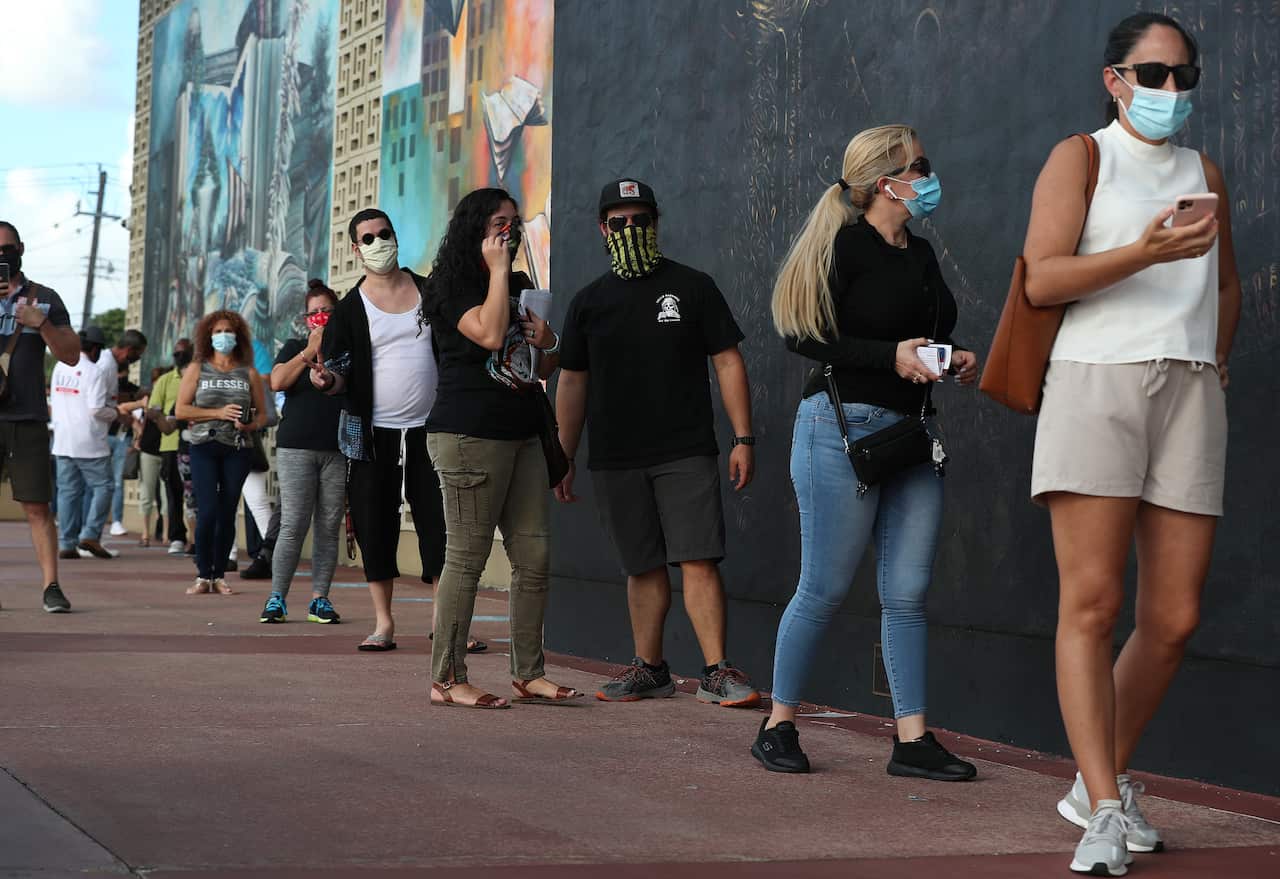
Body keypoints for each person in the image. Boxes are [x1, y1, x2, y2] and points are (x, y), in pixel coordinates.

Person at [1022, 13, 1238, 876]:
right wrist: (1142, 251)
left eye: (1184, 75)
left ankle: (1091, 781)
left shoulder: (1203, 170)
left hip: (1188, 388)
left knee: (1175, 617)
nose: (1171, 92)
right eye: (1154, 75)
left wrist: (1216, 359)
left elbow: (1223, 282)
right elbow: (1041, 277)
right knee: (1094, 602)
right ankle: (1105, 804)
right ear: (1115, 80)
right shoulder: (1082, 157)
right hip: (1095, 378)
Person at [752, 126, 980, 783]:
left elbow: (920, 334)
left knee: (907, 592)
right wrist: (892, 356)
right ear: (887, 182)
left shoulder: (922, 254)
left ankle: (912, 739)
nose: (931, 176)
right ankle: (778, 723)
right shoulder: (843, 246)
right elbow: (806, 333)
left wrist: (949, 355)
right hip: (840, 430)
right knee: (822, 586)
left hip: (910, 434)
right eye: (921, 165)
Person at [555, 179, 761, 707]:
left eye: (640, 218)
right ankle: (651, 669)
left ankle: (717, 671)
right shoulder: (589, 303)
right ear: (603, 229)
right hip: (617, 455)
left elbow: (728, 361)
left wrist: (743, 437)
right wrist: (562, 454)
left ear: (656, 223)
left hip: (686, 449)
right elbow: (572, 381)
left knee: (697, 559)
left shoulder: (693, 287)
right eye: (619, 222)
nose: (630, 229)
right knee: (641, 566)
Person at [421, 188, 581, 708]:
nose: (507, 233)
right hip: (468, 433)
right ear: (475, 228)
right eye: (497, 224)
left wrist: (547, 341)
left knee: (534, 555)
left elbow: (539, 370)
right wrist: (495, 271)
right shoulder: (448, 285)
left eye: (513, 224)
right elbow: (489, 335)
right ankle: (447, 677)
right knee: (466, 556)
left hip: (523, 431)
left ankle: (529, 671)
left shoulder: (518, 284)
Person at [308, 209, 448, 650]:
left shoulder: (431, 292)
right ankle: (384, 624)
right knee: (374, 523)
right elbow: (338, 371)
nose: (378, 242)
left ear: (395, 236)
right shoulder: (349, 309)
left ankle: (443, 621)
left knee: (438, 522)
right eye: (367, 238)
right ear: (356, 249)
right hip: (371, 435)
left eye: (384, 233)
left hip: (433, 429)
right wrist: (328, 381)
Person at [0, 220, 81, 611]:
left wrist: (41, 323)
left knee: (37, 506)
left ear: (21, 248)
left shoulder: (44, 297)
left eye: (7, 248)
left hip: (27, 414)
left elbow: (71, 354)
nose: (2, 256)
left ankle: (52, 587)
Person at [259, 279, 346, 624]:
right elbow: (277, 381)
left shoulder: (347, 349)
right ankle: (276, 598)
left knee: (328, 525)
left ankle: (320, 599)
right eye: (313, 312)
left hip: (337, 448)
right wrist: (310, 349)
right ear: (305, 318)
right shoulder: (295, 346)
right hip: (296, 446)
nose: (320, 316)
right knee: (293, 523)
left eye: (326, 310)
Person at [176, 311, 267, 595]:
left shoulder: (248, 372)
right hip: (203, 446)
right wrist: (217, 412)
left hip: (238, 448)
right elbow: (181, 410)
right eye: (217, 331)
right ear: (208, 336)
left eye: (228, 330)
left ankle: (219, 574)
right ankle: (203, 574)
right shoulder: (197, 368)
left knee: (228, 511)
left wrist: (251, 424)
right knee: (208, 511)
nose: (223, 336)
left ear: (238, 336)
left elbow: (264, 414)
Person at [50, 326, 121, 561]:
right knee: (104, 486)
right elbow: (96, 409)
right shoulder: (94, 371)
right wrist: (117, 412)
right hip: (89, 440)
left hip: (62, 439)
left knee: (68, 492)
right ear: (96, 348)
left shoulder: (59, 367)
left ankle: (66, 543)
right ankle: (90, 534)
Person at [92, 330, 147, 537]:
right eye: (139, 353)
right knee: (101, 486)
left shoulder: (110, 364)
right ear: (129, 350)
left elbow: (112, 402)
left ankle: (88, 535)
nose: (138, 358)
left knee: (103, 485)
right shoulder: (106, 366)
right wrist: (127, 417)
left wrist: (126, 417)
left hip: (103, 431)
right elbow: (99, 406)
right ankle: (88, 536)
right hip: (97, 433)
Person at [150, 339, 194, 555]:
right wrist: (164, 420)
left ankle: (197, 539)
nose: (181, 357)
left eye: (185, 353)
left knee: (197, 494)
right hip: (170, 444)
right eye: (177, 354)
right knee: (174, 492)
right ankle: (177, 536)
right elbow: (153, 408)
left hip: (197, 442)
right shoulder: (166, 380)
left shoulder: (199, 377)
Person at [135, 366, 170, 547]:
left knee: (165, 494)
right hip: (149, 449)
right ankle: (145, 533)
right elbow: (128, 411)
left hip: (166, 449)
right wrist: (138, 432)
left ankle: (165, 534)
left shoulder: (172, 399)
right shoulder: (148, 401)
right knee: (147, 492)